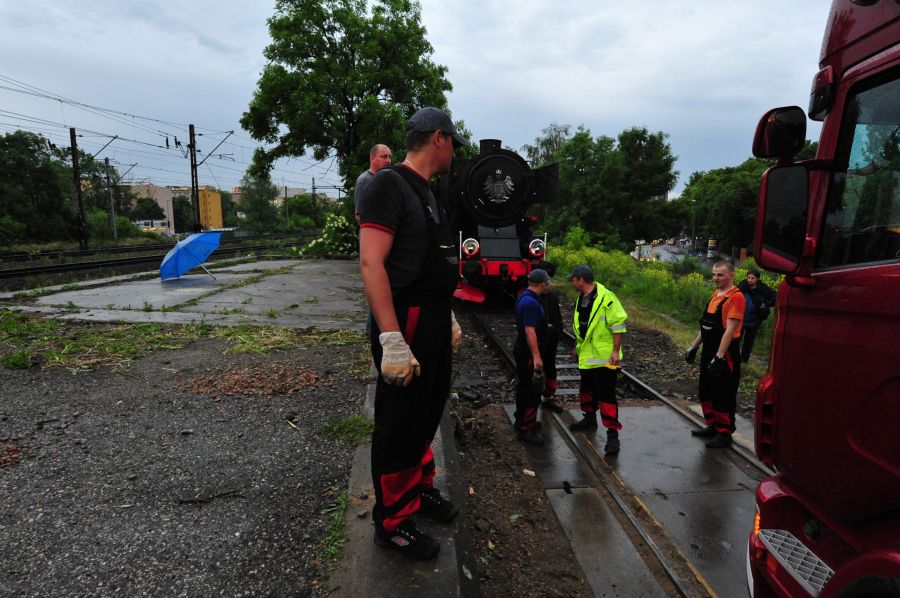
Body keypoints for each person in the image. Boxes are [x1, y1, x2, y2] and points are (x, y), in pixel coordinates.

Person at [358, 107, 469, 560]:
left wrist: (447, 315)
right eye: (454, 144)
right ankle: (393, 521)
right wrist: (391, 338)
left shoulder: (428, 192)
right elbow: (371, 263)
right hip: (404, 324)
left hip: (432, 319)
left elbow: (430, 262)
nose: (455, 153)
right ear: (438, 138)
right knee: (400, 422)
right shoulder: (388, 184)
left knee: (426, 413)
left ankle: (417, 491)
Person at [567, 264, 628, 455]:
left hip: (604, 358)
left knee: (606, 395)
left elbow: (618, 325)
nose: (572, 282)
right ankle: (589, 419)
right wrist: (576, 347)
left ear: (580, 280)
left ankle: (612, 437)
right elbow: (582, 327)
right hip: (587, 356)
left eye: (573, 279)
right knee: (586, 390)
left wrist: (615, 351)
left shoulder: (606, 298)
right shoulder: (582, 298)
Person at [684, 260, 745, 448]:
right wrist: (693, 347)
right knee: (706, 389)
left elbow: (730, 330)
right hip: (709, 349)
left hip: (725, 352)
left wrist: (718, 358)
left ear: (731, 275)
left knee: (722, 392)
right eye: (713, 274)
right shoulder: (716, 294)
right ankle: (712, 426)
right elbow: (707, 327)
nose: (715, 278)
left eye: (720, 274)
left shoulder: (736, 297)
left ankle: (725, 433)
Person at [513, 268, 551, 446]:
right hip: (528, 352)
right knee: (532, 390)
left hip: (523, 349)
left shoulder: (525, 297)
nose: (548, 286)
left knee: (524, 386)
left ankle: (521, 420)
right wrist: (537, 357)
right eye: (547, 283)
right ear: (542, 283)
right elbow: (530, 331)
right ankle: (526, 430)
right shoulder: (531, 303)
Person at [537, 261, 564, 414]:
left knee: (550, 365)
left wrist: (556, 331)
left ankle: (549, 396)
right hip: (539, 338)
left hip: (551, 337)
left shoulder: (552, 296)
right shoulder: (531, 297)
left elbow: (557, 317)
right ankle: (535, 399)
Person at [737, 269, 776, 362]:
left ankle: (744, 360)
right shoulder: (742, 286)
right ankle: (734, 357)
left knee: (749, 341)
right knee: (736, 338)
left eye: (752, 278)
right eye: (748, 277)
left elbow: (775, 296)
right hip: (741, 318)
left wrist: (765, 303)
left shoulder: (763, 289)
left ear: (757, 279)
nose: (750, 280)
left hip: (755, 319)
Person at [354, 143, 393, 223]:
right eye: (384, 157)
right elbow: (359, 216)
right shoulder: (364, 180)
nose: (388, 161)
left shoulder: (388, 180)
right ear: (372, 158)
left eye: (389, 157)